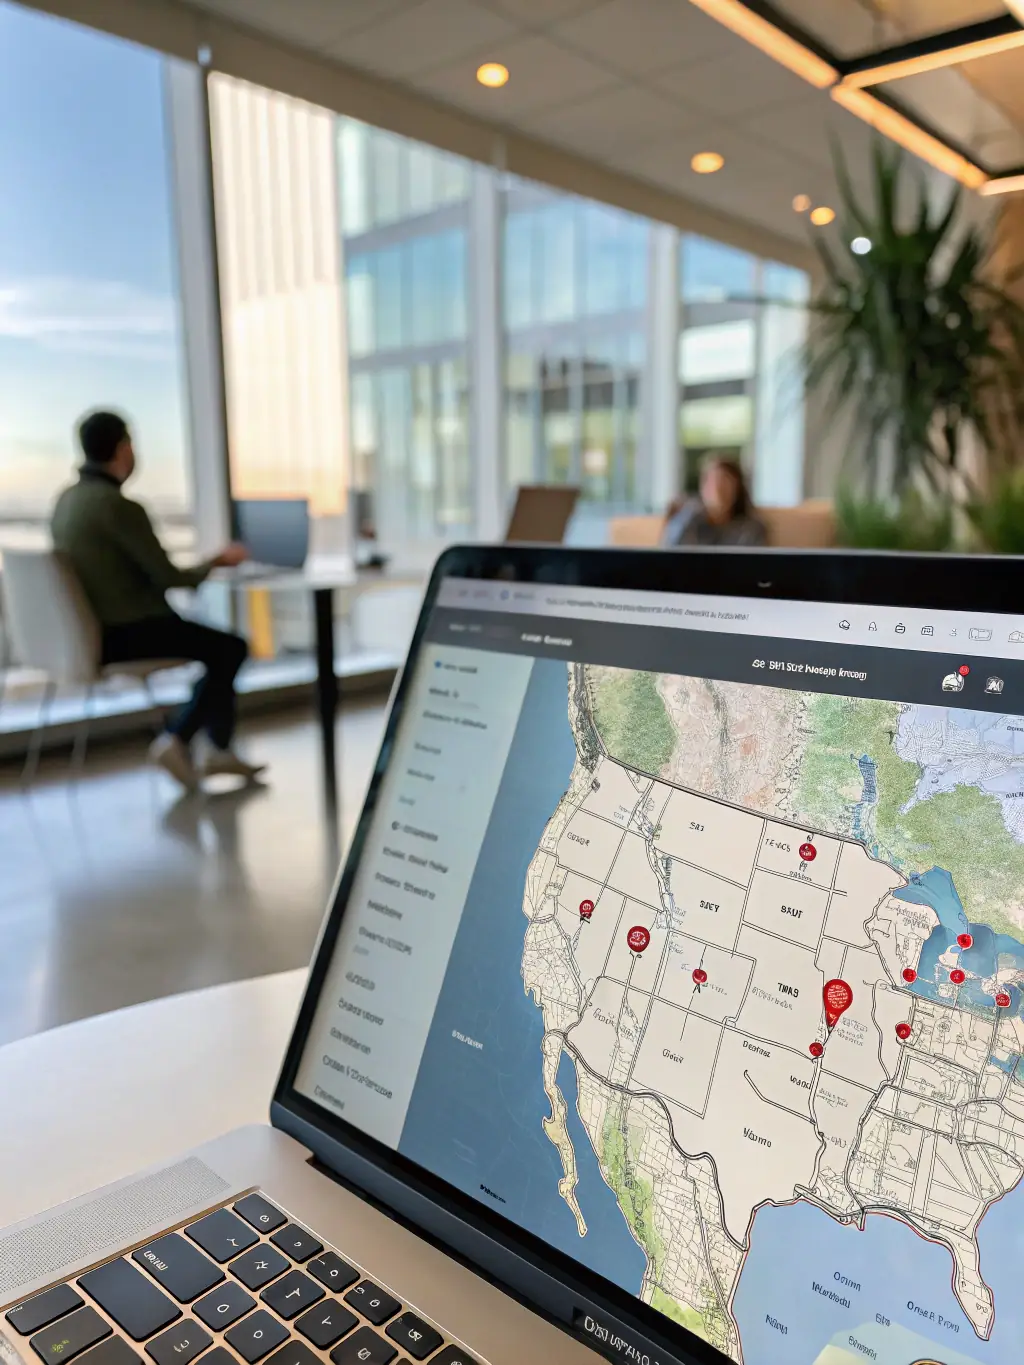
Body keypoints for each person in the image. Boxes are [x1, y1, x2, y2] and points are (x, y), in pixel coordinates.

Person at [51, 410, 265, 791]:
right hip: (130, 632)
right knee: (231, 647)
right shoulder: (118, 507)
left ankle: (213, 749)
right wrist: (217, 560)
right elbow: (171, 578)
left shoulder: (66, 503)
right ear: (123, 447)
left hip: (89, 634)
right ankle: (183, 740)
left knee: (219, 649)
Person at [661, 455, 767, 548]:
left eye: (725, 484)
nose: (717, 491)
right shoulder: (688, 519)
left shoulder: (751, 529)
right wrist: (687, 515)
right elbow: (669, 555)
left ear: (738, 489)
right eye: (710, 483)